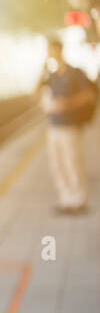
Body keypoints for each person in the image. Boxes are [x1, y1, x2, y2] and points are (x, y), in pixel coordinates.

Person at [34, 38, 93, 215]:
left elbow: (88, 96)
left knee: (73, 162)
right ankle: (66, 200)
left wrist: (68, 103)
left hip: (70, 126)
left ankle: (79, 200)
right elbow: (35, 93)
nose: (52, 54)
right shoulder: (50, 76)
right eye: (49, 51)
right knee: (57, 164)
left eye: (54, 50)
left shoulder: (75, 73)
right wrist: (42, 70)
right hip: (53, 126)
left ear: (60, 50)